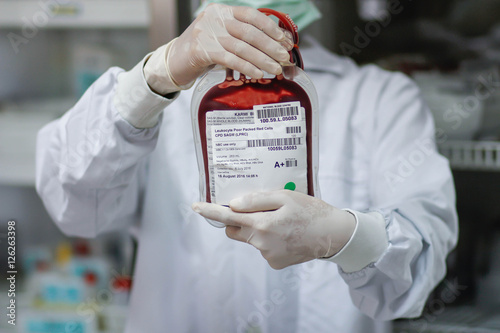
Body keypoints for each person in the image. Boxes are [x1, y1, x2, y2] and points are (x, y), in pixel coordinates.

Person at [36, 0, 458, 332]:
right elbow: (72, 203)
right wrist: (157, 76)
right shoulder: (166, 96)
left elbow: (417, 273)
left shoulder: (380, 99)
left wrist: (344, 238)